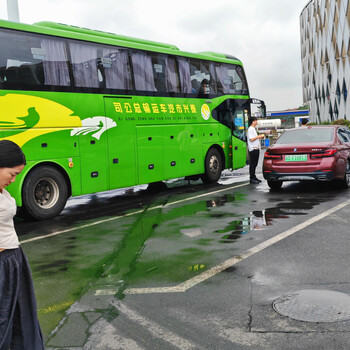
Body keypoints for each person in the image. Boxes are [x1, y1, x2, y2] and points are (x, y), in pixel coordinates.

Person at [0, 140, 45, 350]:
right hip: (2, 263)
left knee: (21, 317)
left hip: (14, 260)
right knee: (4, 320)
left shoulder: (2, 192)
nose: (14, 179)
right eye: (12, 173)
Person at [247, 116, 265, 184]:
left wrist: (258, 137)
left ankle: (254, 177)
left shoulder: (253, 129)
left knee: (255, 163)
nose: (257, 122)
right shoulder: (250, 129)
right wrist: (259, 136)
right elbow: (251, 139)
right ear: (253, 122)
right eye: (256, 120)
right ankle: (252, 178)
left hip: (256, 148)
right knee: (253, 164)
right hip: (253, 149)